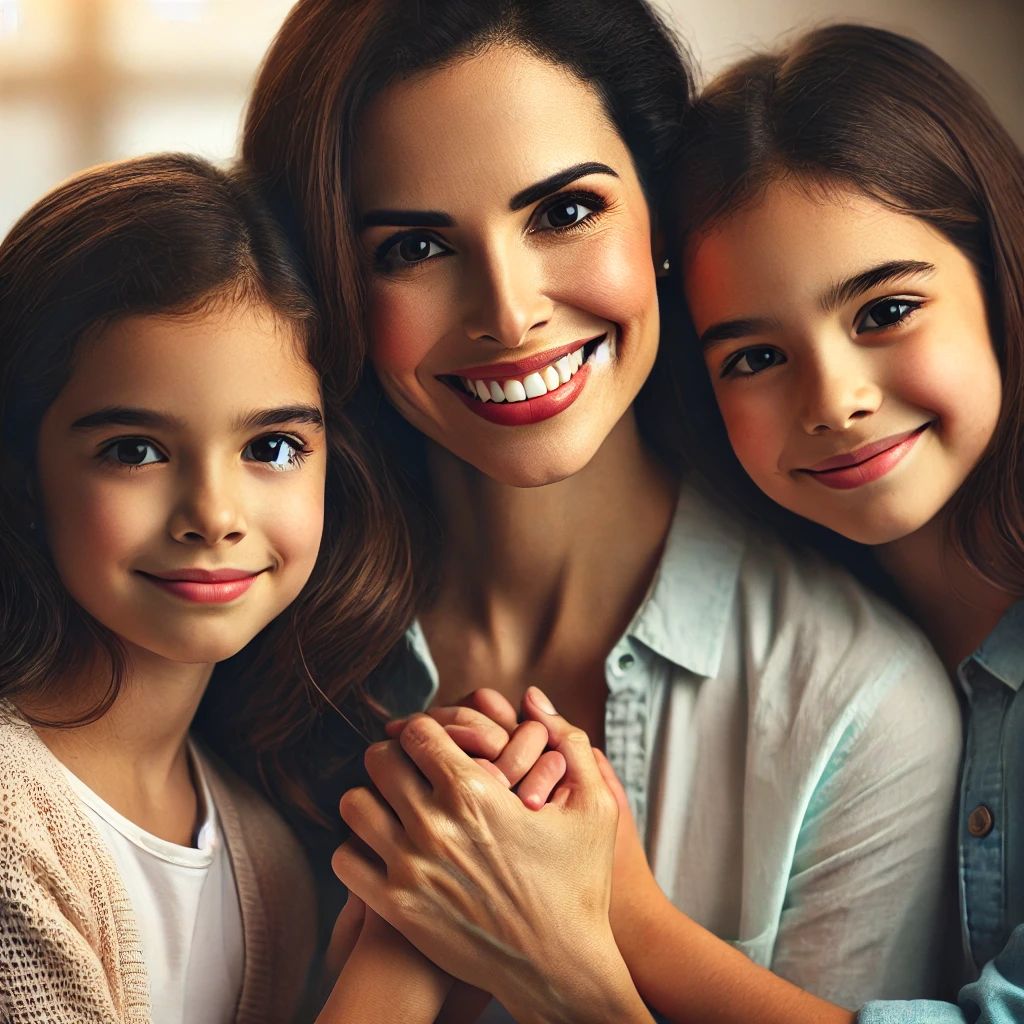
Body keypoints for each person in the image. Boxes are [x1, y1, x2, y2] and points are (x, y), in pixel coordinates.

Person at [243, 2, 962, 1020]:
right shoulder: (251, 641)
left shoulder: (857, 709)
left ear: (661, 220)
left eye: (563, 211)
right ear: (331, 281)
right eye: (412, 248)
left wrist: (557, 962)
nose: (508, 310)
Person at [0, 153, 434, 1023]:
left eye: (271, 447)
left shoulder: (266, 846)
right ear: (23, 472)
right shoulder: (14, 834)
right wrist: (408, 945)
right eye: (134, 449)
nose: (213, 515)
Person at [670, 23, 1024, 1024]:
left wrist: (618, 923)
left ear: (999, 283)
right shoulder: (788, 648)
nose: (832, 399)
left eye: (883, 311)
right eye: (752, 358)